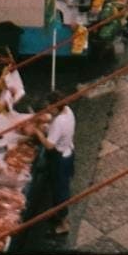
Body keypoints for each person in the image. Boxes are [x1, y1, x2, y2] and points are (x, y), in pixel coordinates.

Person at [32, 99, 77, 237]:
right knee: (59, 188)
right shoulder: (67, 110)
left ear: (57, 109)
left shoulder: (59, 122)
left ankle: (64, 225)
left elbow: (49, 145)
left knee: (60, 191)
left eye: (50, 109)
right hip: (68, 151)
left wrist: (37, 132)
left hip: (60, 160)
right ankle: (58, 213)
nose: (49, 111)